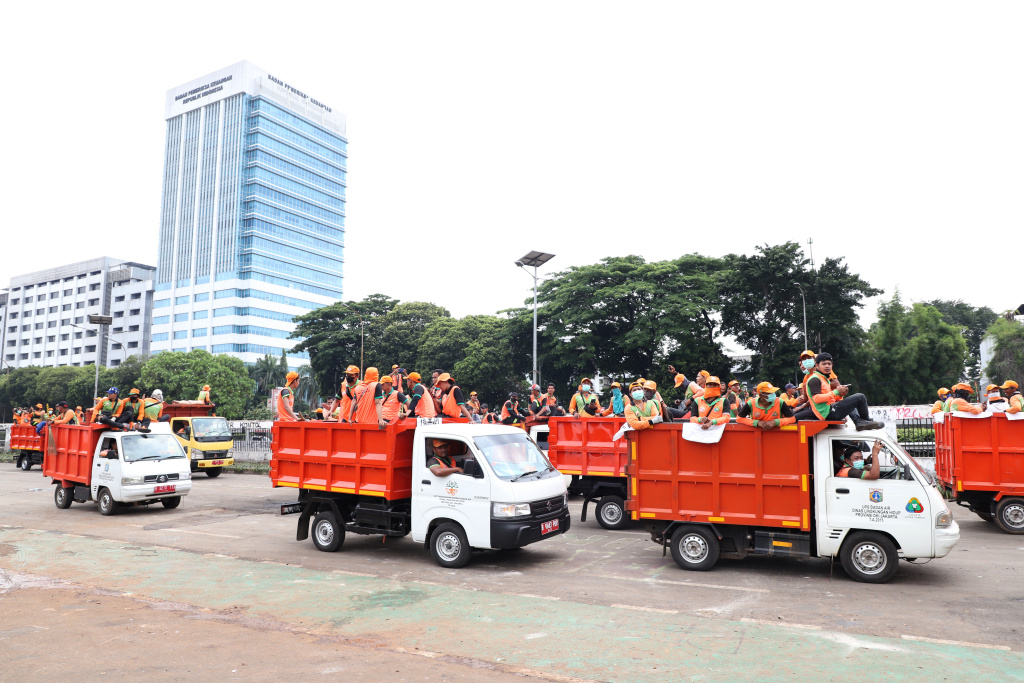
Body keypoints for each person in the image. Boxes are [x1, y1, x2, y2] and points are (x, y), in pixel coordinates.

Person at [794, 354, 883, 430]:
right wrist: (836, 392)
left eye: (829, 364)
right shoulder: (814, 379)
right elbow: (816, 399)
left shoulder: (824, 379)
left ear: (832, 365)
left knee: (852, 401)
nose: (827, 366)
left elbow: (830, 398)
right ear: (817, 365)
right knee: (860, 397)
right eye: (824, 364)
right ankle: (865, 421)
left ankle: (861, 421)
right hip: (828, 413)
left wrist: (840, 394)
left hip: (829, 409)